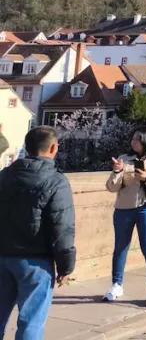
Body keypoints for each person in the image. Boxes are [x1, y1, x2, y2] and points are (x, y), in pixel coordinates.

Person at [0, 126, 75, 340]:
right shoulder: (56, 181)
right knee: (31, 323)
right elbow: (62, 228)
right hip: (36, 261)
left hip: (3, 256)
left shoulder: (5, 175)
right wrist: (65, 265)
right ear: (53, 148)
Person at [103, 127, 146, 306]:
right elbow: (112, 187)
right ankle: (116, 284)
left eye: (137, 139)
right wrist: (117, 172)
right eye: (133, 138)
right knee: (120, 247)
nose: (133, 142)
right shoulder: (124, 158)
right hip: (124, 208)